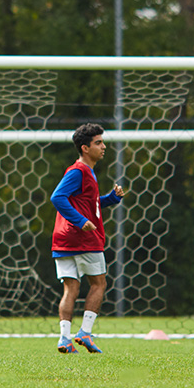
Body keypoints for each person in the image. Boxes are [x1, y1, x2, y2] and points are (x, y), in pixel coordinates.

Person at [49, 123, 125, 354]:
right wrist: (81, 222)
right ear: (85, 148)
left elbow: (87, 203)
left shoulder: (84, 172)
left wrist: (110, 199)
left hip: (63, 240)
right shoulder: (78, 171)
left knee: (71, 288)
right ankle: (85, 333)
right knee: (98, 283)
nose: (104, 146)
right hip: (82, 237)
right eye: (98, 143)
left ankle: (64, 339)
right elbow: (57, 197)